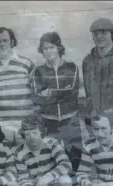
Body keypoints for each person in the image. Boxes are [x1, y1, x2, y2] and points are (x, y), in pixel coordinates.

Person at [31, 31, 82, 171]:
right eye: (45, 48)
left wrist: (50, 93)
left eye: (51, 47)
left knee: (74, 155)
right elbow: (38, 98)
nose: (48, 51)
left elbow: (73, 93)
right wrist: (61, 92)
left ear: (59, 47)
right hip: (48, 120)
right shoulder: (38, 71)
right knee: (51, 156)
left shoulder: (72, 67)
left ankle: (74, 182)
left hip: (70, 118)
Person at [0, 27, 36, 146]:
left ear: (12, 42)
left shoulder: (26, 64)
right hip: (2, 125)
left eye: (5, 40)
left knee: (26, 158)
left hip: (25, 124)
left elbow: (36, 92)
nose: (2, 44)